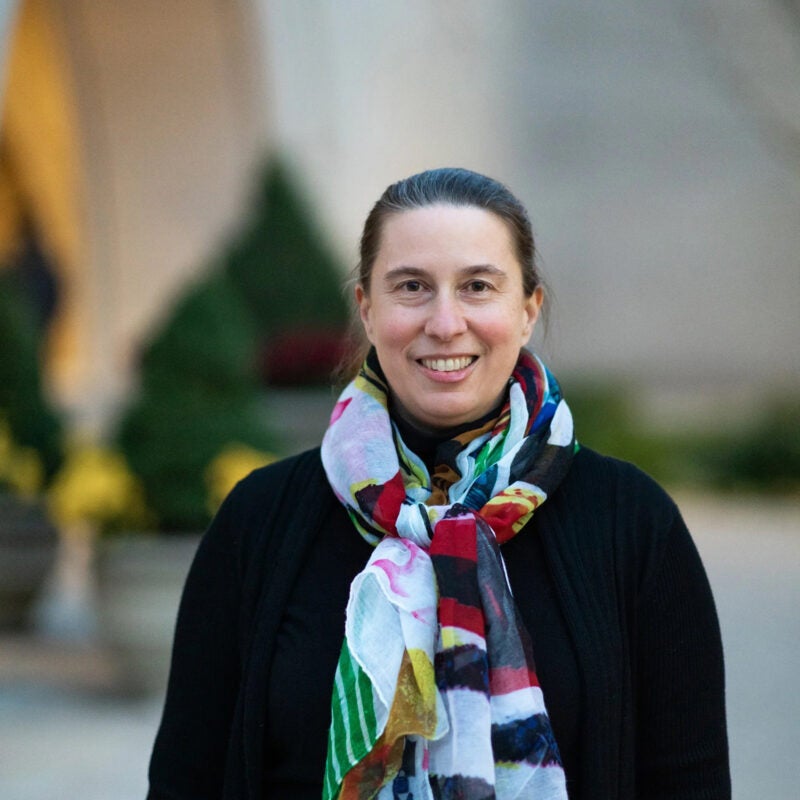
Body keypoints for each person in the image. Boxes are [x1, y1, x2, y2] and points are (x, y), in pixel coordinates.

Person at [147, 168, 730, 799]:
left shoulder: (632, 523)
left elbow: (688, 784)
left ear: (528, 310)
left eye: (478, 286)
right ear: (367, 310)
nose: (446, 322)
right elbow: (188, 778)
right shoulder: (258, 522)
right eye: (412, 287)